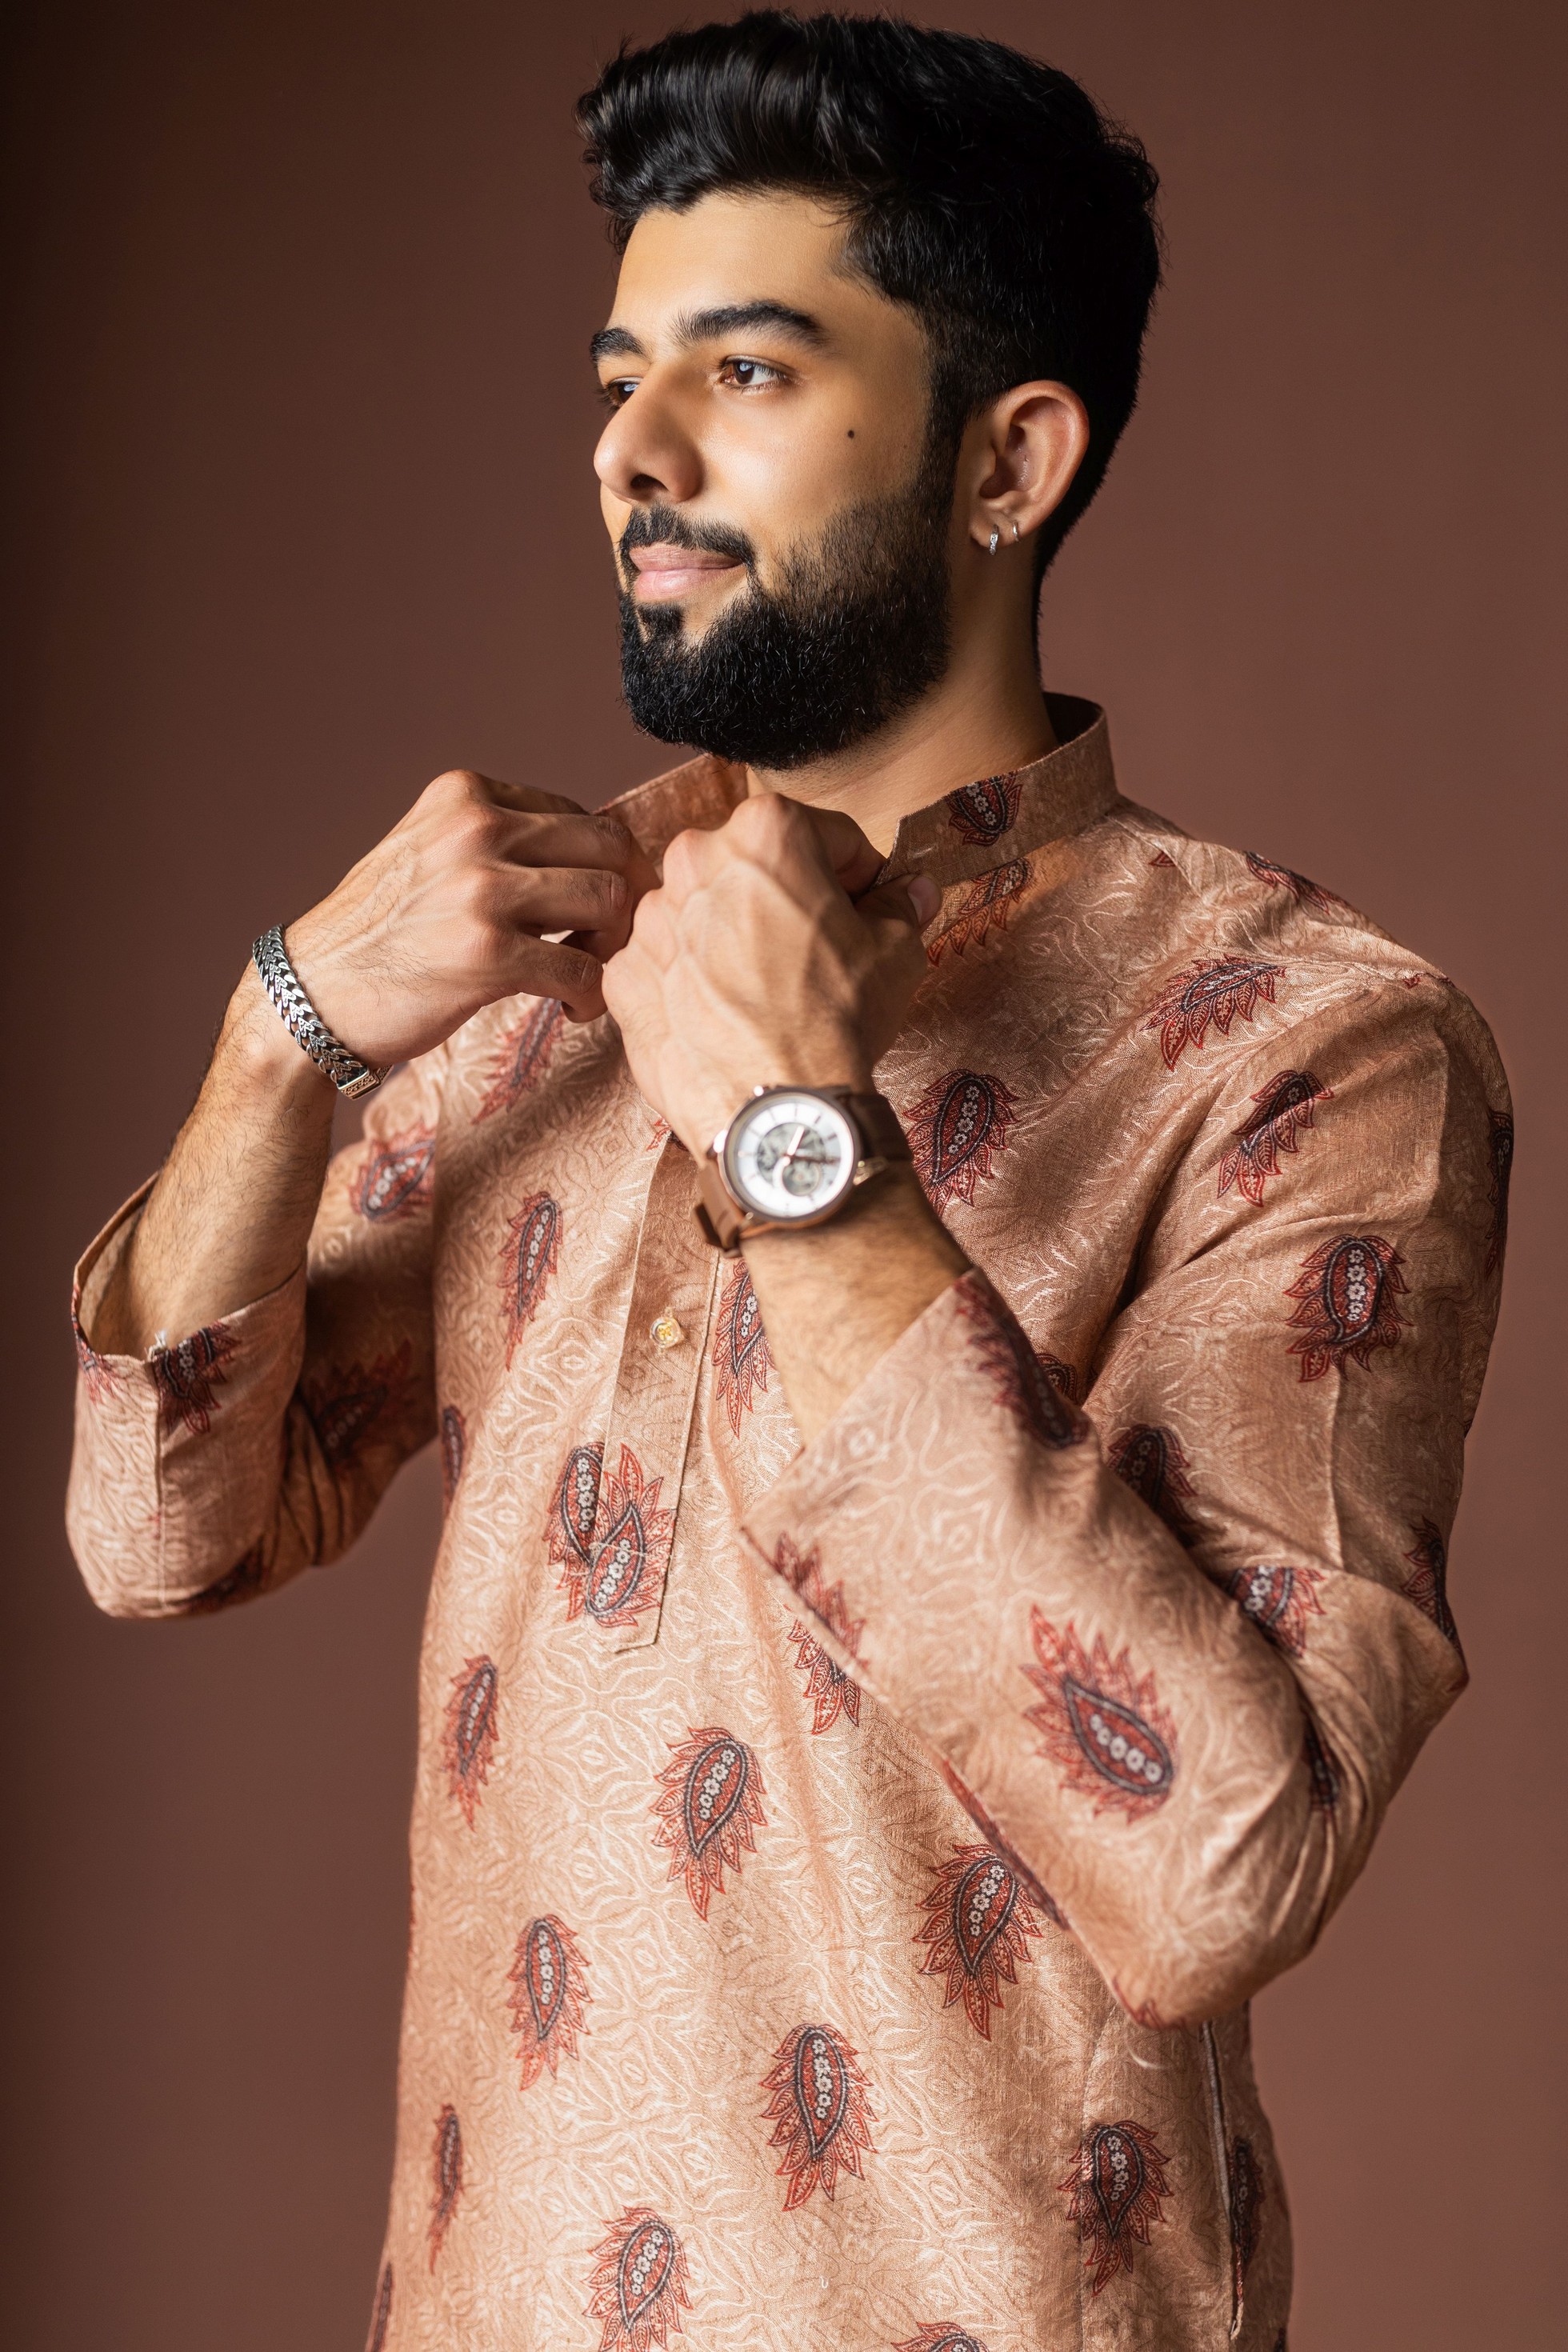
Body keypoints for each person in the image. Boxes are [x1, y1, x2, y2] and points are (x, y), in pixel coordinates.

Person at [66, 14, 1510, 2349]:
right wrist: (283, 1031)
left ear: (1009, 459)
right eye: (616, 376)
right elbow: (161, 1530)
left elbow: (1220, 1863)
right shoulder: (543, 965)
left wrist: (797, 1151)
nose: (628, 450)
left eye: (741, 373)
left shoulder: (1306, 1041)